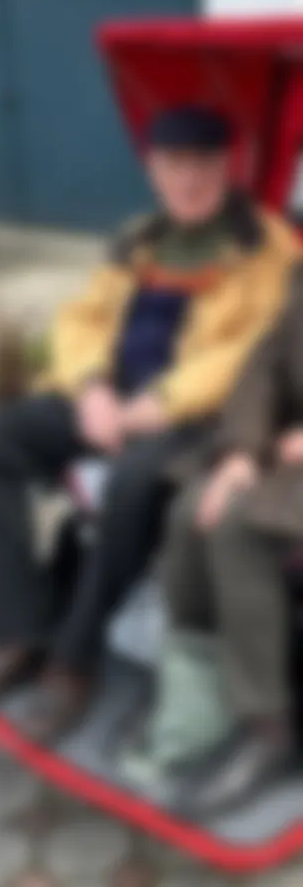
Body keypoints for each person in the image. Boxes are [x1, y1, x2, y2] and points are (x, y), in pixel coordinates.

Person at [0, 106, 299, 743]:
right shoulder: (143, 237)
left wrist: (156, 406)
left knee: (137, 480)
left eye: (202, 165)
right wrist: (90, 389)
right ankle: (19, 634)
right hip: (109, 401)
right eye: (174, 165)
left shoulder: (266, 247)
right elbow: (84, 318)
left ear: (226, 168)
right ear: (155, 170)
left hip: (201, 417)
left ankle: (72, 663)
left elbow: (252, 355)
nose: (188, 180)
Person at [152, 270, 303, 815]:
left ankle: (267, 725)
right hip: (281, 456)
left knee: (241, 527)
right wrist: (242, 453)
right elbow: (264, 372)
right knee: (193, 509)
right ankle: (199, 691)